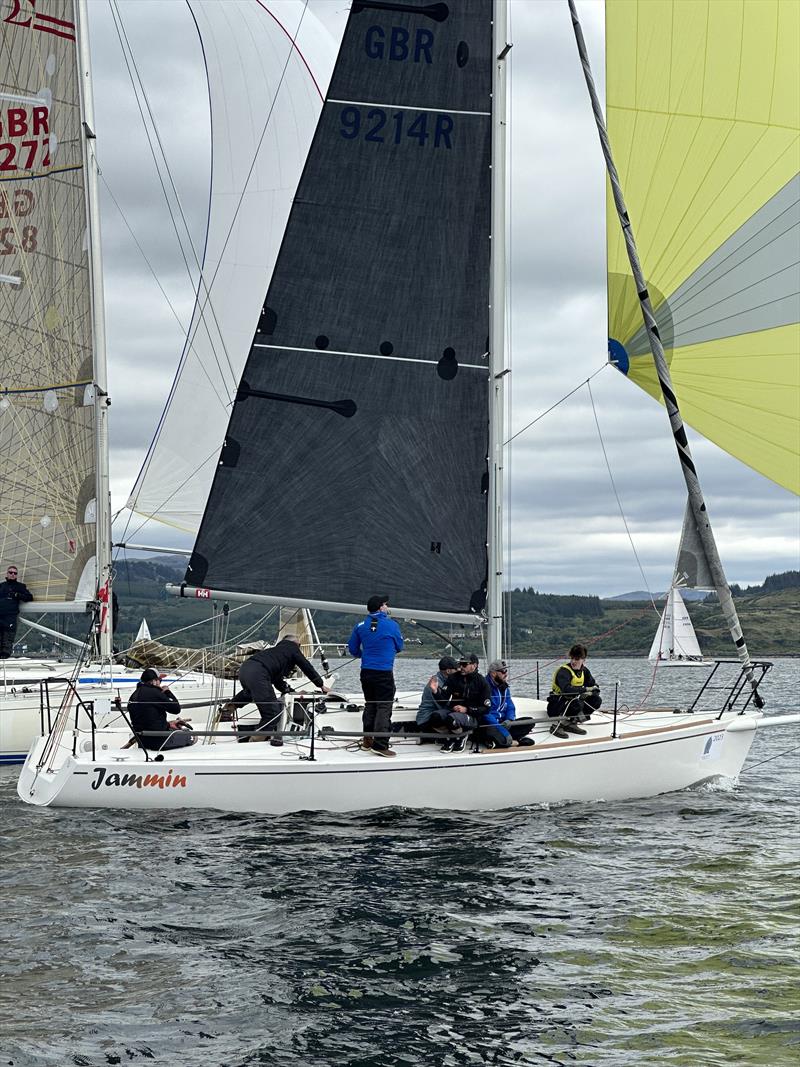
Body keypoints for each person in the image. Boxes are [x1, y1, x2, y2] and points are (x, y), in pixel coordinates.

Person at [231, 635, 330, 746]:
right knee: (273, 713)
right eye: (299, 646)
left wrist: (291, 691)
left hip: (245, 669)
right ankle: (254, 742)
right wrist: (321, 685)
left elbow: (278, 680)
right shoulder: (292, 648)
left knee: (250, 692)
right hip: (259, 672)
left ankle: (227, 710)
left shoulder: (275, 652)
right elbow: (306, 666)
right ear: (296, 644)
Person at [348, 594, 404, 757]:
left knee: (370, 704)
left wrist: (363, 654)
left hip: (366, 672)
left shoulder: (360, 625)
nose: (387, 607)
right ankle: (380, 745)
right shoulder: (392, 625)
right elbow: (399, 646)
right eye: (385, 605)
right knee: (384, 707)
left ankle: (367, 740)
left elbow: (353, 649)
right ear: (381, 607)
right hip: (383, 672)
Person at [127, 668, 194, 751]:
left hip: (143, 741)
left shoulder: (134, 695)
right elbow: (176, 709)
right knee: (192, 736)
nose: (160, 683)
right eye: (160, 680)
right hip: (159, 741)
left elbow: (148, 719)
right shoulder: (155, 692)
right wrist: (167, 692)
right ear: (154, 681)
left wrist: (169, 725)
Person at [439, 653, 491, 752]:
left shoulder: (482, 682)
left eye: (464, 665)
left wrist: (467, 709)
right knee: (435, 717)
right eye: (460, 664)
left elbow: (486, 708)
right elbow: (443, 699)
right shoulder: (453, 678)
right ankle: (454, 735)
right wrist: (435, 691)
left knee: (451, 719)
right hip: (454, 711)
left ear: (474, 665)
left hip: (471, 715)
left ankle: (461, 736)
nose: (461, 667)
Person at [547, 644, 602, 738]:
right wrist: (584, 690)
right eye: (572, 658)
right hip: (556, 705)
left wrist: (592, 691)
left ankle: (571, 722)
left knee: (596, 700)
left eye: (576, 659)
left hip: (572, 703)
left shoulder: (585, 671)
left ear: (583, 660)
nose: (573, 661)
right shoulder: (564, 671)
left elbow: (594, 686)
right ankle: (557, 725)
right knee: (577, 703)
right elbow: (567, 689)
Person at [481, 659, 535, 749]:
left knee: (530, 721)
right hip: (490, 725)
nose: (506, 674)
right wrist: (503, 731)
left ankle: (504, 740)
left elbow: (510, 706)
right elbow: (486, 714)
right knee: (491, 730)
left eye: (506, 671)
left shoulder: (504, 687)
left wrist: (509, 720)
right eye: (503, 671)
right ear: (493, 673)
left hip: (503, 723)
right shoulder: (485, 688)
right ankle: (509, 740)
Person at [416, 655, 458, 737]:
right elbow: (441, 705)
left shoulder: (445, 681)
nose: (458, 670)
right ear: (448, 671)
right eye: (456, 669)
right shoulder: (436, 683)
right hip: (426, 720)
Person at [0, 564, 33, 658]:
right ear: (7, 573)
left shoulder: (20, 586)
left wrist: (17, 595)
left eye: (15, 573)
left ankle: (5, 658)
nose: (13, 574)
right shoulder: (1, 586)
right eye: (11, 572)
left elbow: (29, 597)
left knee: (7, 641)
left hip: (10, 617)